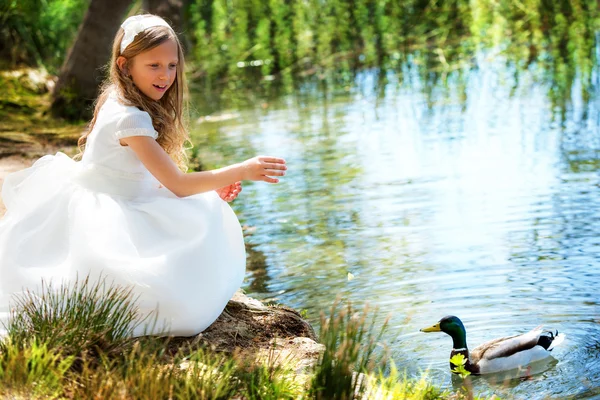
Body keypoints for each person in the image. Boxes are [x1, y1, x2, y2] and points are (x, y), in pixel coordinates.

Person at [0, 14, 287, 338]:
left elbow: (137, 172)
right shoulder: (130, 118)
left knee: (204, 205)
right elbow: (178, 185)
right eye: (154, 66)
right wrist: (242, 170)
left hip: (112, 191)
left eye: (171, 65)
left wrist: (207, 187)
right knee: (191, 254)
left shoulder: (116, 97)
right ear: (125, 66)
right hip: (107, 209)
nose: (165, 76)